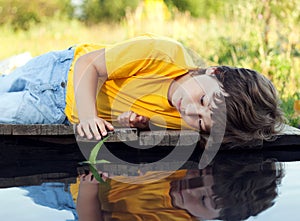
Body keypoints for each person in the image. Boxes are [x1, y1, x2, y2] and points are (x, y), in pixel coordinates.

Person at [0, 34, 285, 146]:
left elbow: (136, 110)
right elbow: (90, 65)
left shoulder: (188, 124)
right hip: (61, 69)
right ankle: (12, 67)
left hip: (55, 109)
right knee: (7, 82)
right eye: (202, 98)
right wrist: (88, 116)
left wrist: (131, 123)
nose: (190, 109)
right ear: (215, 71)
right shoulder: (164, 54)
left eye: (200, 120)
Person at [73, 153, 284, 221]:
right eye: (202, 176)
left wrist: (89, 189)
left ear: (208, 219)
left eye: (203, 200)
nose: (191, 188)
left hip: (74, 197)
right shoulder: (182, 169)